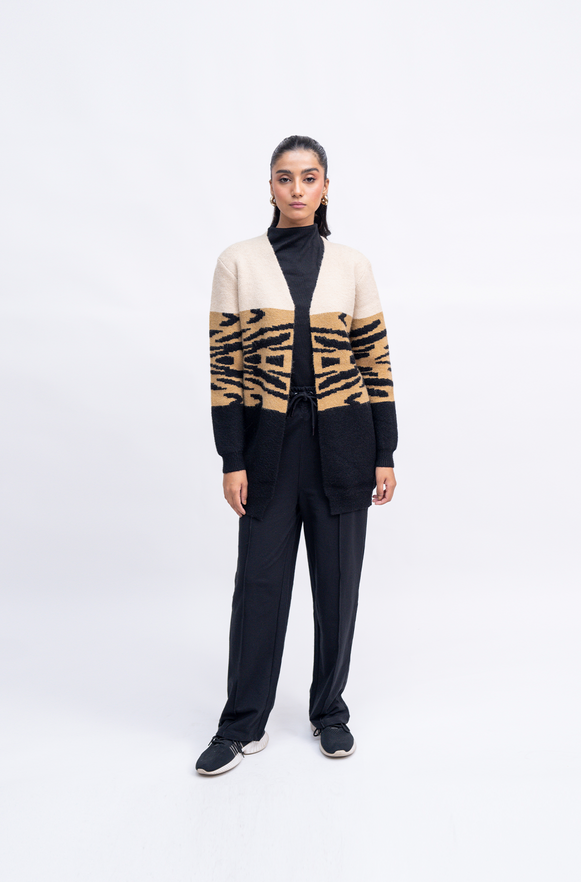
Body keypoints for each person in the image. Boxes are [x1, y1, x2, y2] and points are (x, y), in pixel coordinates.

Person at [196, 135, 397, 776]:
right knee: (259, 586)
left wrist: (385, 450)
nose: (298, 188)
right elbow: (225, 368)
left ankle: (329, 711)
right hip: (268, 451)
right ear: (271, 187)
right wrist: (232, 457)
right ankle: (241, 723)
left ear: (326, 187)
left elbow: (375, 362)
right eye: (286, 177)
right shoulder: (238, 262)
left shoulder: (352, 265)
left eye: (310, 177)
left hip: (344, 445)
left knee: (338, 588)